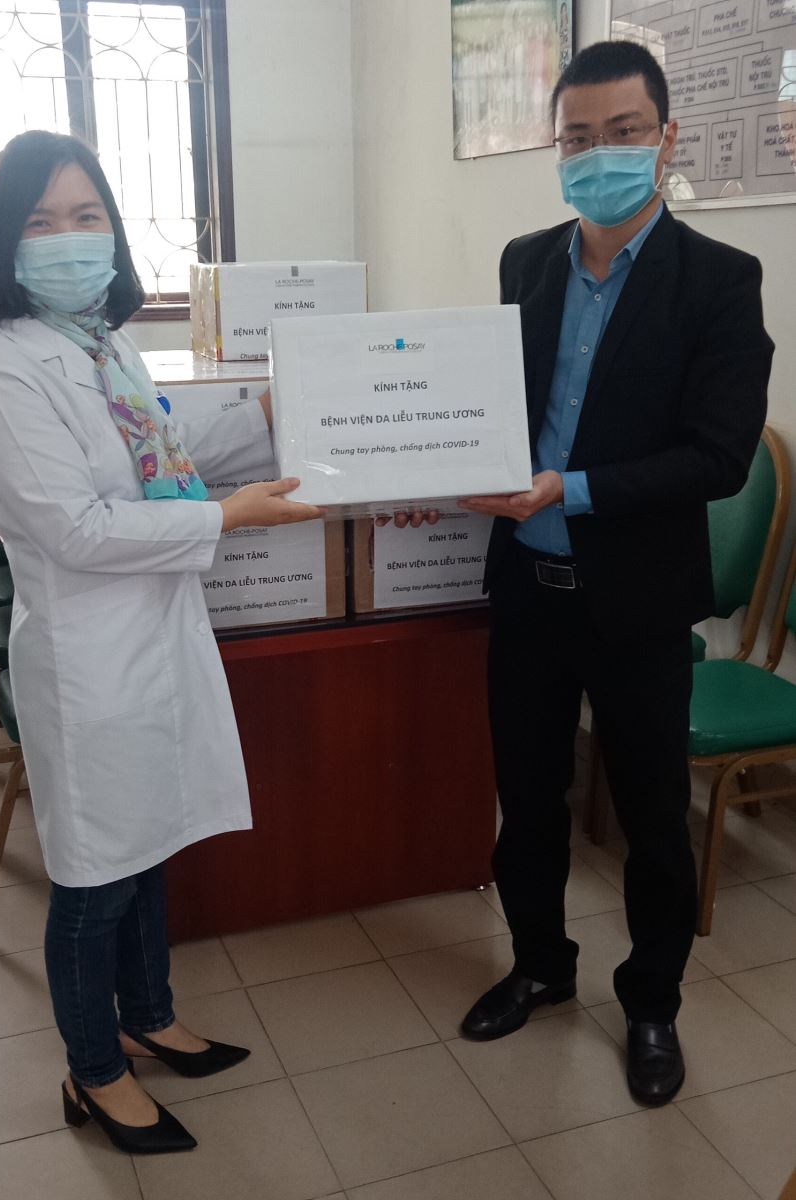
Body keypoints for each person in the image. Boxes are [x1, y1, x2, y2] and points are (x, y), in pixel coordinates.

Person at [0, 130, 323, 1154]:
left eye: (87, 216)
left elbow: (164, 453)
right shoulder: (0, 368)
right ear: (3, 241)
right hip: (88, 660)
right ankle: (94, 1069)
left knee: (148, 843)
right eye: (41, 221)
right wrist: (227, 517)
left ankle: (150, 1015)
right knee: (94, 878)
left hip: (155, 636)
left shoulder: (101, 343)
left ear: (113, 230)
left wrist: (268, 410)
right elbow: (74, 529)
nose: (69, 238)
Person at [457, 41, 774, 1105]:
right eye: (578, 138)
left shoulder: (721, 281)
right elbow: (493, 408)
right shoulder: (526, 262)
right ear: (557, 149)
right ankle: (541, 965)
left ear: (665, 138)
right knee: (527, 801)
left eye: (623, 132)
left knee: (651, 818)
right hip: (526, 591)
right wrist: (440, 465)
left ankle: (651, 1005)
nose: (600, 155)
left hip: (637, 601)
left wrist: (573, 487)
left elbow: (717, 456)